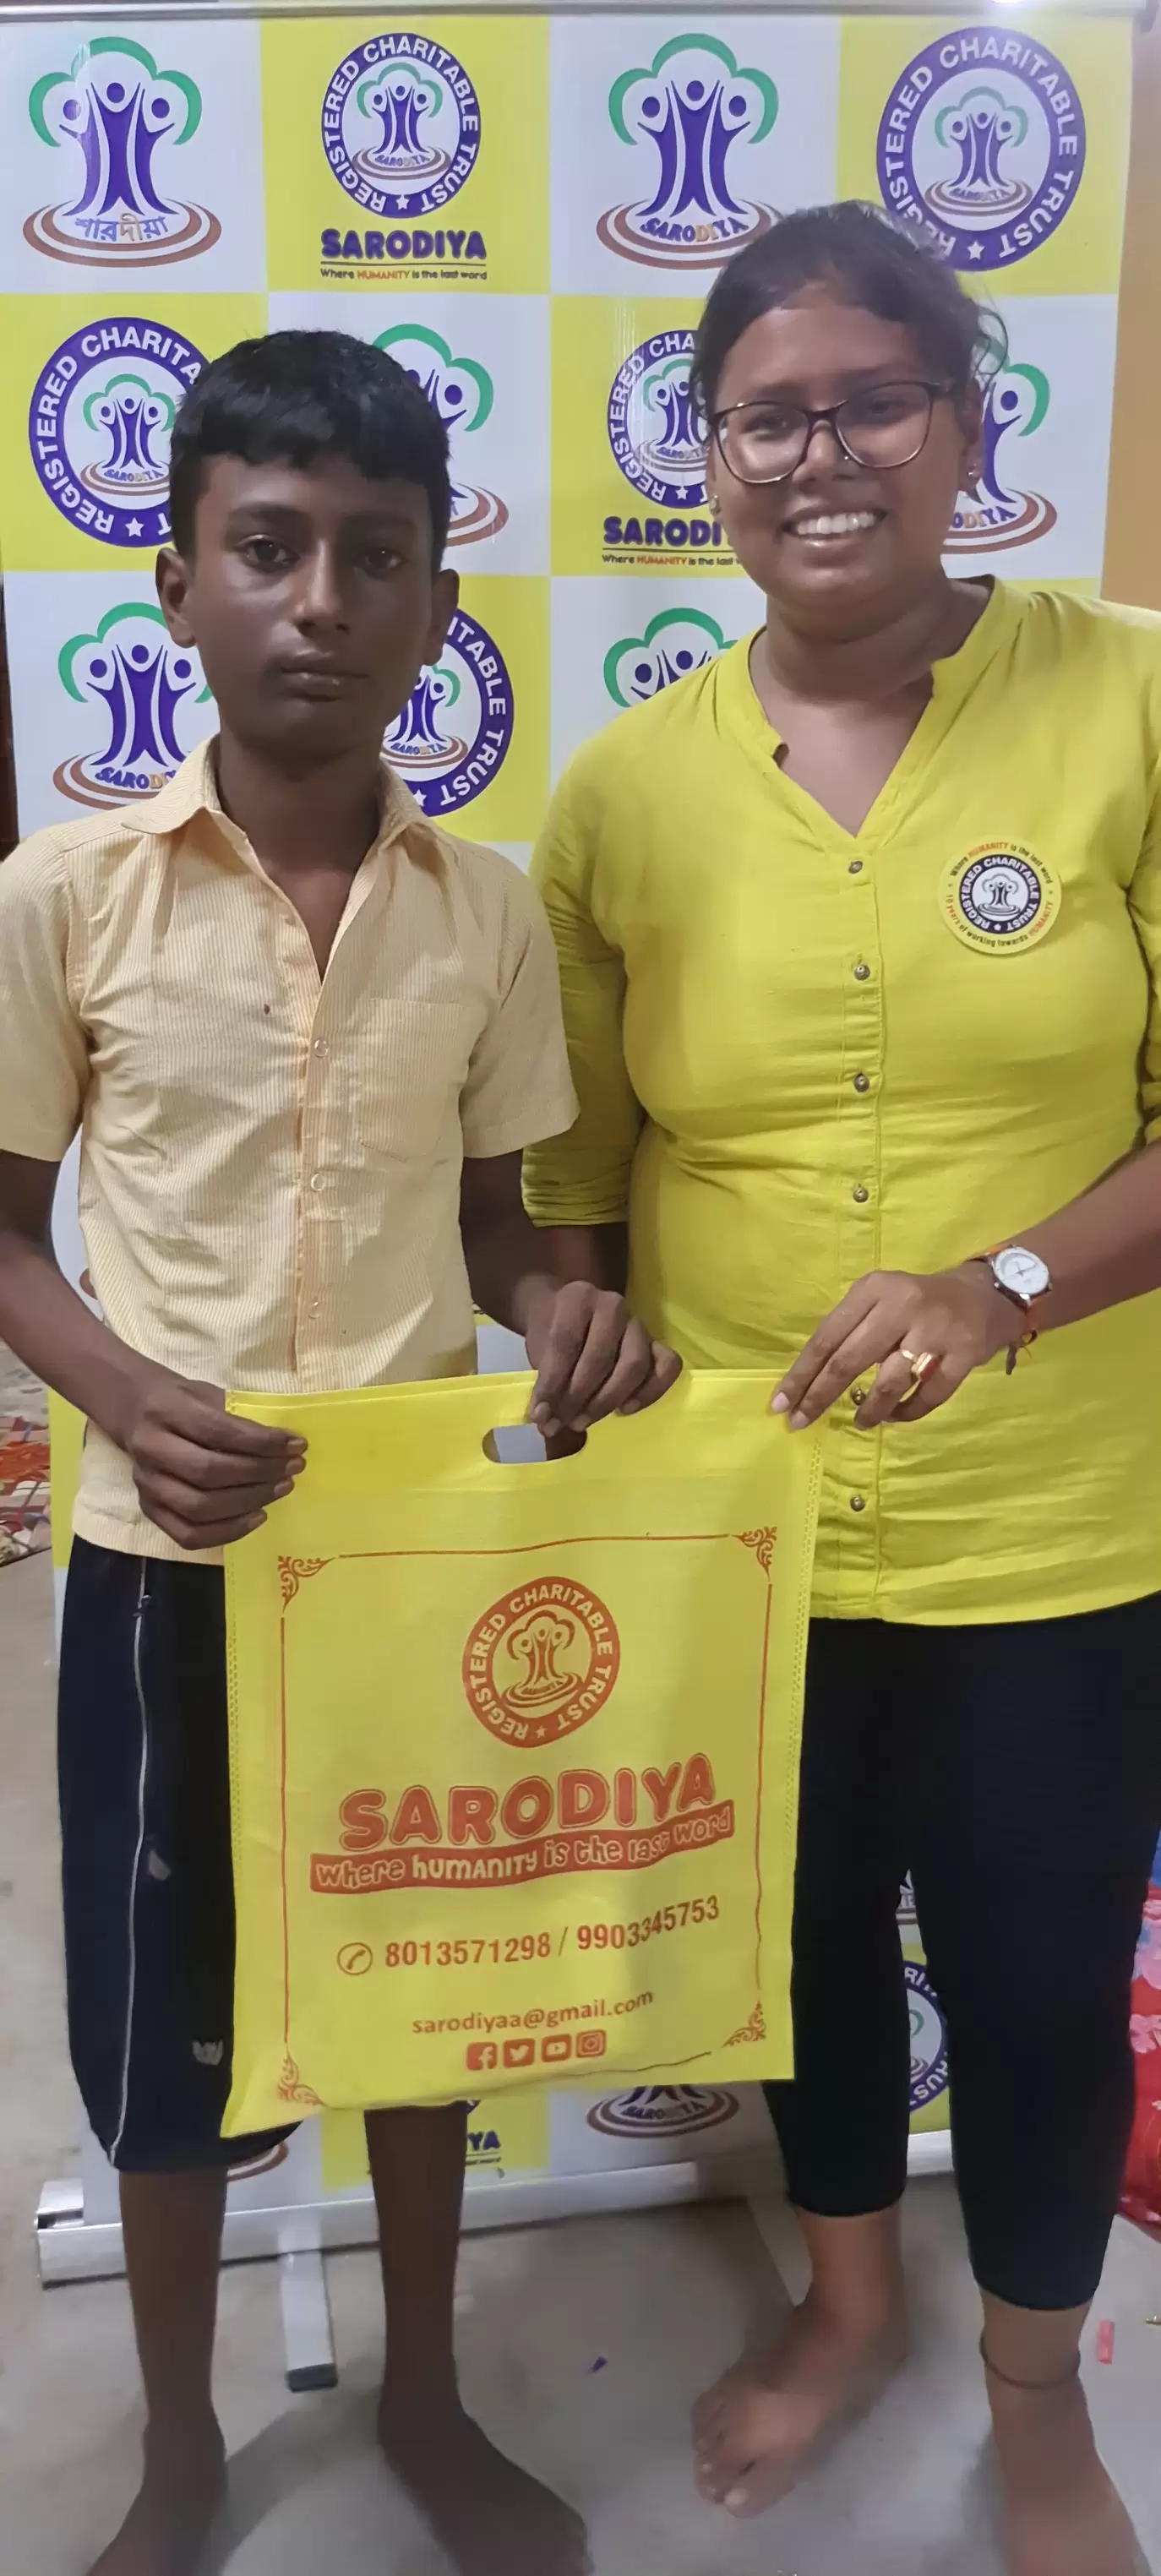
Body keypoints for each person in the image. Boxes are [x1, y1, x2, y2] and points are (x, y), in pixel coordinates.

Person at [0, 328, 679, 2576]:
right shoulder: (64, 896)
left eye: (373, 557)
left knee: (418, 1995)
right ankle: (180, 2442)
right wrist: (122, 1397)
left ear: (436, 603)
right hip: (162, 1555)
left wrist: (555, 1309)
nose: (319, 601)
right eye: (268, 548)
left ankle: (424, 2398)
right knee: (164, 2034)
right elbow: (4, 1231)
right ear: (174, 582)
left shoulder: (486, 914)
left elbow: (500, 1228)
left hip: (409, 1566)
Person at [523, 202, 1161, 2576]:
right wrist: (567, 1319)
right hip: (742, 1526)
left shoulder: (1128, 701)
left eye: (871, 403)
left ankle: (1034, 2393)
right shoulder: (623, 794)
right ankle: (845, 2308)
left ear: (966, 427)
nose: (819, 456)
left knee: (1033, 1980)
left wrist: (1008, 1281)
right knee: (792, 1958)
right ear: (704, 455)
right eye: (764, 417)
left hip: (1059, 1522)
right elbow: (572, 1180)